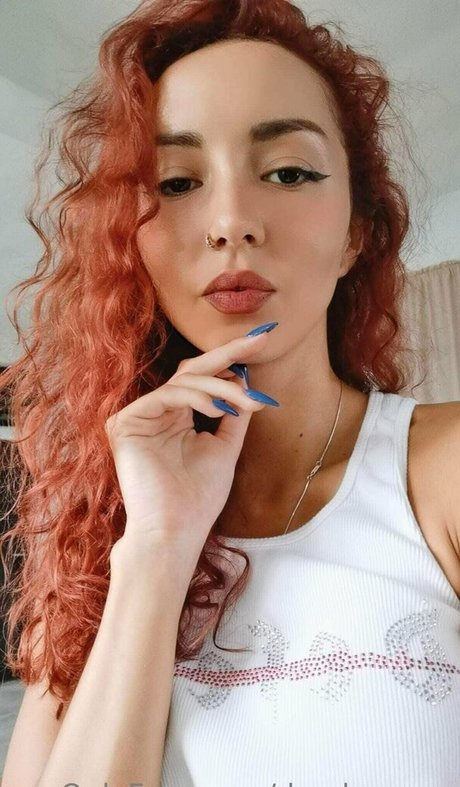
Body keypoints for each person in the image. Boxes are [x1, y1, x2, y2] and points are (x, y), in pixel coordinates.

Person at [1, 1, 459, 785]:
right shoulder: (88, 548)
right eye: (176, 182)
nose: (230, 222)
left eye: (288, 171)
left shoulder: (442, 473)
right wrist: (156, 546)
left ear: (355, 232)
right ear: (132, 241)